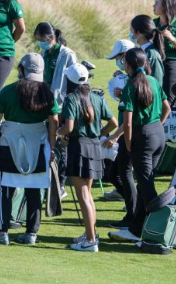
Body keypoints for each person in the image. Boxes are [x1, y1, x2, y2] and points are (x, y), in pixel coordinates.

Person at [0, 54, 59, 246]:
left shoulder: (8, 91)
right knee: (34, 190)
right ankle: (31, 233)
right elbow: (54, 122)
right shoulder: (47, 92)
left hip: (9, 145)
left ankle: (2, 232)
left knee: (5, 189)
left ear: (21, 70)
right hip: (39, 146)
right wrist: (51, 148)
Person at [108, 48, 170, 244]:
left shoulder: (131, 85)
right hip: (158, 134)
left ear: (128, 64)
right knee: (145, 184)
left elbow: (127, 123)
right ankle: (136, 228)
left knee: (146, 186)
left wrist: (127, 145)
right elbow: (167, 108)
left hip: (141, 137)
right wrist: (157, 126)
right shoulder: (153, 81)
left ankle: (157, 232)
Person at [58, 63, 118, 252]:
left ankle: (91, 240)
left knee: (83, 196)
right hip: (94, 147)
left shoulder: (71, 99)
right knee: (88, 195)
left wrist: (57, 134)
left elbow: (67, 127)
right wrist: (99, 133)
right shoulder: (96, 97)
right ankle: (90, 233)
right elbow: (113, 123)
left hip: (79, 147)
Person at [34, 21, 77, 198]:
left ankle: (60, 185)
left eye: (41, 39)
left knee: (60, 144)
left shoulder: (67, 54)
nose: (39, 43)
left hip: (60, 106)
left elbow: (72, 82)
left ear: (51, 38)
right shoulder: (44, 53)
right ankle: (46, 180)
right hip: (44, 104)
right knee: (47, 143)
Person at [101, 39, 137, 226]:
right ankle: (136, 210)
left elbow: (131, 118)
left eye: (119, 58)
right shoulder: (135, 79)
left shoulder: (134, 84)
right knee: (119, 173)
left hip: (130, 134)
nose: (118, 61)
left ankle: (135, 213)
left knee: (121, 172)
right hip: (132, 132)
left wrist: (116, 136)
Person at [130, 15, 165, 86]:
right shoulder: (141, 50)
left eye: (132, 31)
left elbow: (156, 84)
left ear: (139, 34)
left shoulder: (152, 54)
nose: (131, 35)